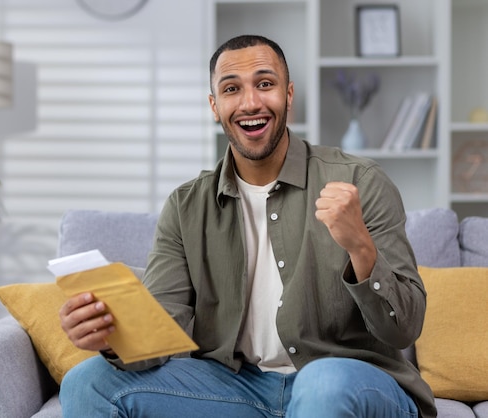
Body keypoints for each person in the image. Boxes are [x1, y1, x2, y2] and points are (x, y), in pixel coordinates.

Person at [58, 34, 436, 418]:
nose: (250, 103)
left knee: (321, 385)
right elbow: (164, 326)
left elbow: (404, 329)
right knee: (86, 382)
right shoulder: (185, 206)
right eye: (232, 89)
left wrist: (362, 249)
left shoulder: (361, 181)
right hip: (238, 388)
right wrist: (112, 336)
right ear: (215, 106)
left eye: (265, 84)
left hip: (349, 381)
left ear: (289, 95)